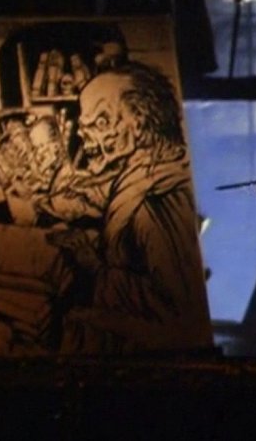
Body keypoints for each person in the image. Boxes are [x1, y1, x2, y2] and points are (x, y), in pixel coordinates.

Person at [48, 62, 213, 353]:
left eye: (100, 123)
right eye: (84, 124)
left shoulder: (156, 202)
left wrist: (93, 265)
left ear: (138, 124)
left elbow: (175, 307)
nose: (82, 134)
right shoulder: (148, 174)